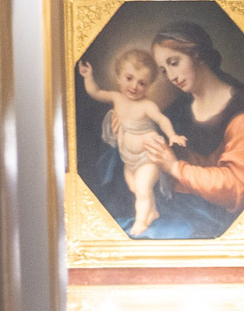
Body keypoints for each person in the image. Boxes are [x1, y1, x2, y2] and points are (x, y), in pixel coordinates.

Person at [121, 21, 244, 239]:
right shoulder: (178, 109)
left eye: (174, 63)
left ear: (197, 55)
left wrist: (174, 167)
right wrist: (125, 125)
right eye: (164, 70)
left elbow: (237, 186)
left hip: (217, 222)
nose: (171, 76)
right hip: (172, 207)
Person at [76, 50, 187, 237]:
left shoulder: (147, 105)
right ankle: (152, 212)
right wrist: (88, 76)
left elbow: (162, 120)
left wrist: (172, 135)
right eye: (129, 78)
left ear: (149, 86)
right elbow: (94, 92)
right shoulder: (116, 98)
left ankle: (141, 221)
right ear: (119, 77)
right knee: (136, 189)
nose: (134, 86)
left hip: (147, 157)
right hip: (129, 160)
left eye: (142, 83)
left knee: (143, 189)